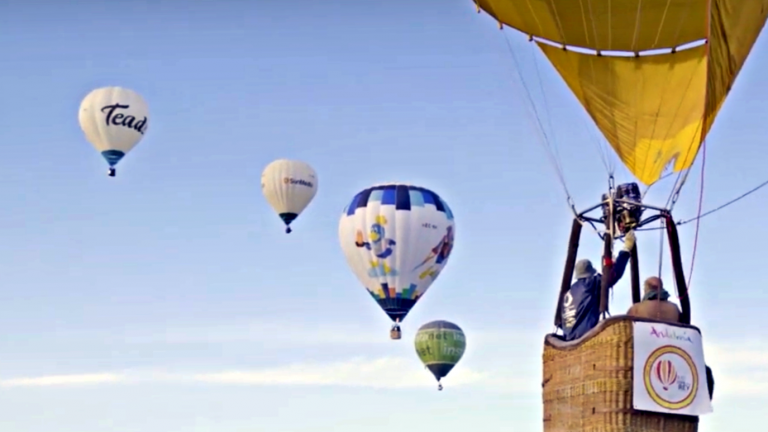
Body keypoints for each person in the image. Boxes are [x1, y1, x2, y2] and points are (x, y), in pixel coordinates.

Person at [626, 276, 714, 400]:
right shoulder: (675, 309)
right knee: (706, 372)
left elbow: (626, 331)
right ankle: (700, 404)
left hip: (646, 358)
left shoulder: (636, 308)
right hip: (673, 357)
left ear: (646, 290)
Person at [559, 230, 635, 341]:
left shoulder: (570, 291)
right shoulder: (590, 284)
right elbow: (613, 276)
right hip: (584, 338)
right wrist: (626, 250)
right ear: (590, 273)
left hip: (569, 338)